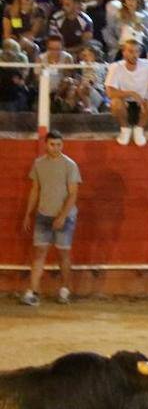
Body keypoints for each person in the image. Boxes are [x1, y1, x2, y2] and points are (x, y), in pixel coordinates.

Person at [20, 131, 79, 307]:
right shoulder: (39, 164)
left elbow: (73, 194)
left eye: (59, 145)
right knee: (39, 253)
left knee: (63, 254)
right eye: (52, 144)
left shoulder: (70, 165)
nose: (55, 148)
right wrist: (28, 213)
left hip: (65, 216)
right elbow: (35, 190)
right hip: (43, 215)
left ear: (63, 145)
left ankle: (65, 289)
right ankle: (33, 292)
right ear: (46, 144)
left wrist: (62, 216)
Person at [104, 37, 148, 145]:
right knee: (115, 103)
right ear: (124, 52)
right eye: (131, 51)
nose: (135, 55)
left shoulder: (147, 65)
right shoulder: (115, 67)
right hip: (124, 103)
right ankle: (125, 129)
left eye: (137, 51)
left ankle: (139, 129)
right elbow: (109, 93)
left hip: (143, 102)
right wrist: (131, 93)